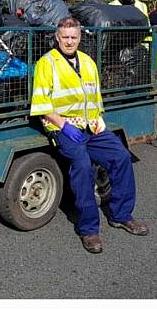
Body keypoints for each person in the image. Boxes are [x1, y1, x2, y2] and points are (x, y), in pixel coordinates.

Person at [30, 17, 149, 254]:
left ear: (80, 38)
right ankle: (89, 229)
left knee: (121, 157)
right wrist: (64, 125)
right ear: (57, 37)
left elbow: (95, 98)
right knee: (82, 166)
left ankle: (121, 215)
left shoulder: (87, 62)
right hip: (64, 127)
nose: (70, 41)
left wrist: (98, 119)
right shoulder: (47, 63)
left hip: (91, 126)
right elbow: (42, 103)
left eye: (74, 37)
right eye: (65, 37)